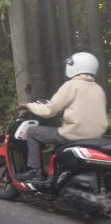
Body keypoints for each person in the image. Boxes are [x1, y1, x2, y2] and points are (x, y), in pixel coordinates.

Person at [19, 52, 107, 181]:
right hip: (95, 137)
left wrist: (29, 106)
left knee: (32, 132)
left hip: (72, 135)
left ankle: (34, 171)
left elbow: (49, 111)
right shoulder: (99, 89)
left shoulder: (71, 85)